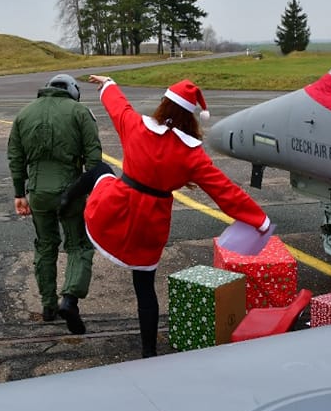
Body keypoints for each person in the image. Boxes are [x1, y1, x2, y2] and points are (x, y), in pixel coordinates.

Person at [75, 75, 271, 358]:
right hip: (150, 224)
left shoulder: (136, 127)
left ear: (164, 105)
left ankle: (64, 201)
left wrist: (108, 84)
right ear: (192, 117)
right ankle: (148, 354)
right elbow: (225, 192)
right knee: (145, 289)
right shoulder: (192, 156)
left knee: (101, 175)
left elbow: (118, 107)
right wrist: (259, 219)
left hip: (115, 209)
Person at [7, 74, 102, 334]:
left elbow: (15, 157)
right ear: (72, 91)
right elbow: (94, 157)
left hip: (37, 192)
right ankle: (69, 300)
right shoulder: (81, 112)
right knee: (79, 245)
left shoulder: (24, 114)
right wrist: (92, 191)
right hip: (71, 191)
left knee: (45, 245)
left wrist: (19, 193)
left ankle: (48, 306)